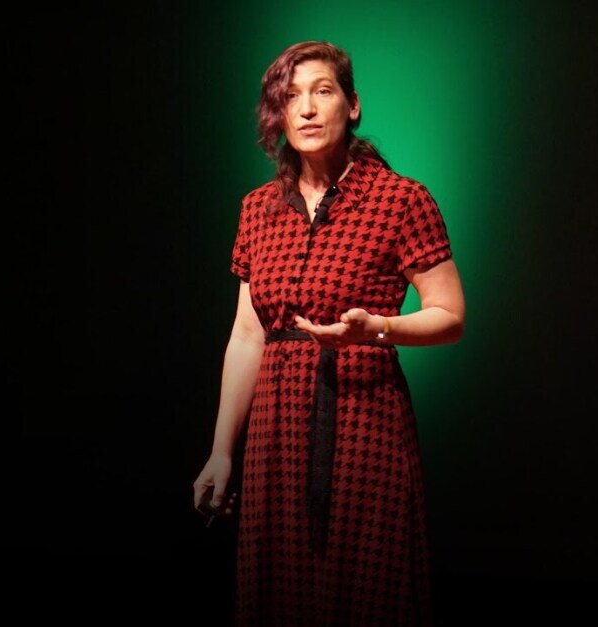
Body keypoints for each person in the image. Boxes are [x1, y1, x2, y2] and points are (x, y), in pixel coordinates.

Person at [192, 40, 465, 626]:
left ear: (353, 104)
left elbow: (450, 316)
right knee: (278, 590)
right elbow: (247, 336)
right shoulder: (259, 209)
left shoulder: (400, 200)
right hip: (275, 429)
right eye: (292, 97)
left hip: (365, 419)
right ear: (280, 113)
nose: (308, 109)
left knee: (367, 588)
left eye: (323, 91)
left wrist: (378, 329)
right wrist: (221, 451)